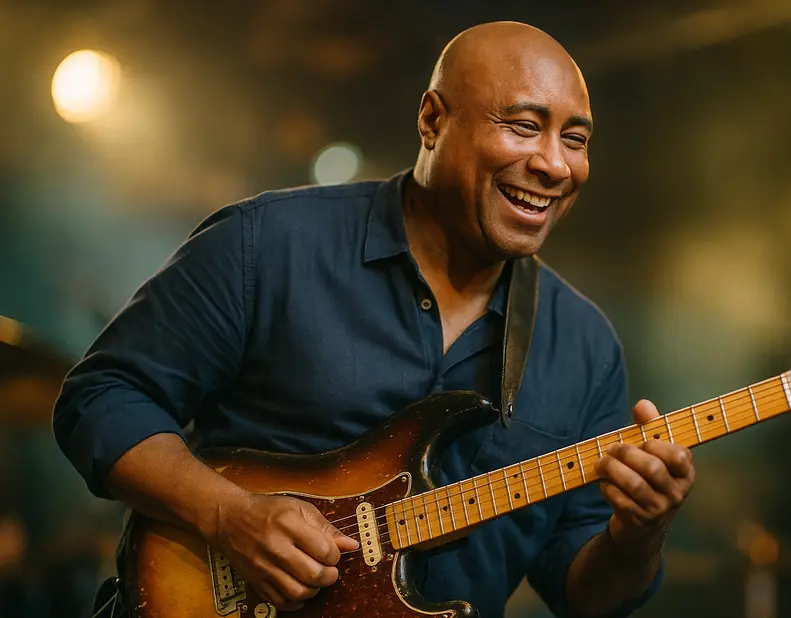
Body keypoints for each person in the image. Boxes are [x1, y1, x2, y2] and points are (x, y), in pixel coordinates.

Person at [53, 21, 695, 618]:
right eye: (524, 126)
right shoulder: (268, 246)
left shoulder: (584, 346)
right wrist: (231, 516)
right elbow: (100, 400)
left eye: (575, 139)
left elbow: (585, 594)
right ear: (432, 119)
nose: (555, 164)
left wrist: (640, 534)